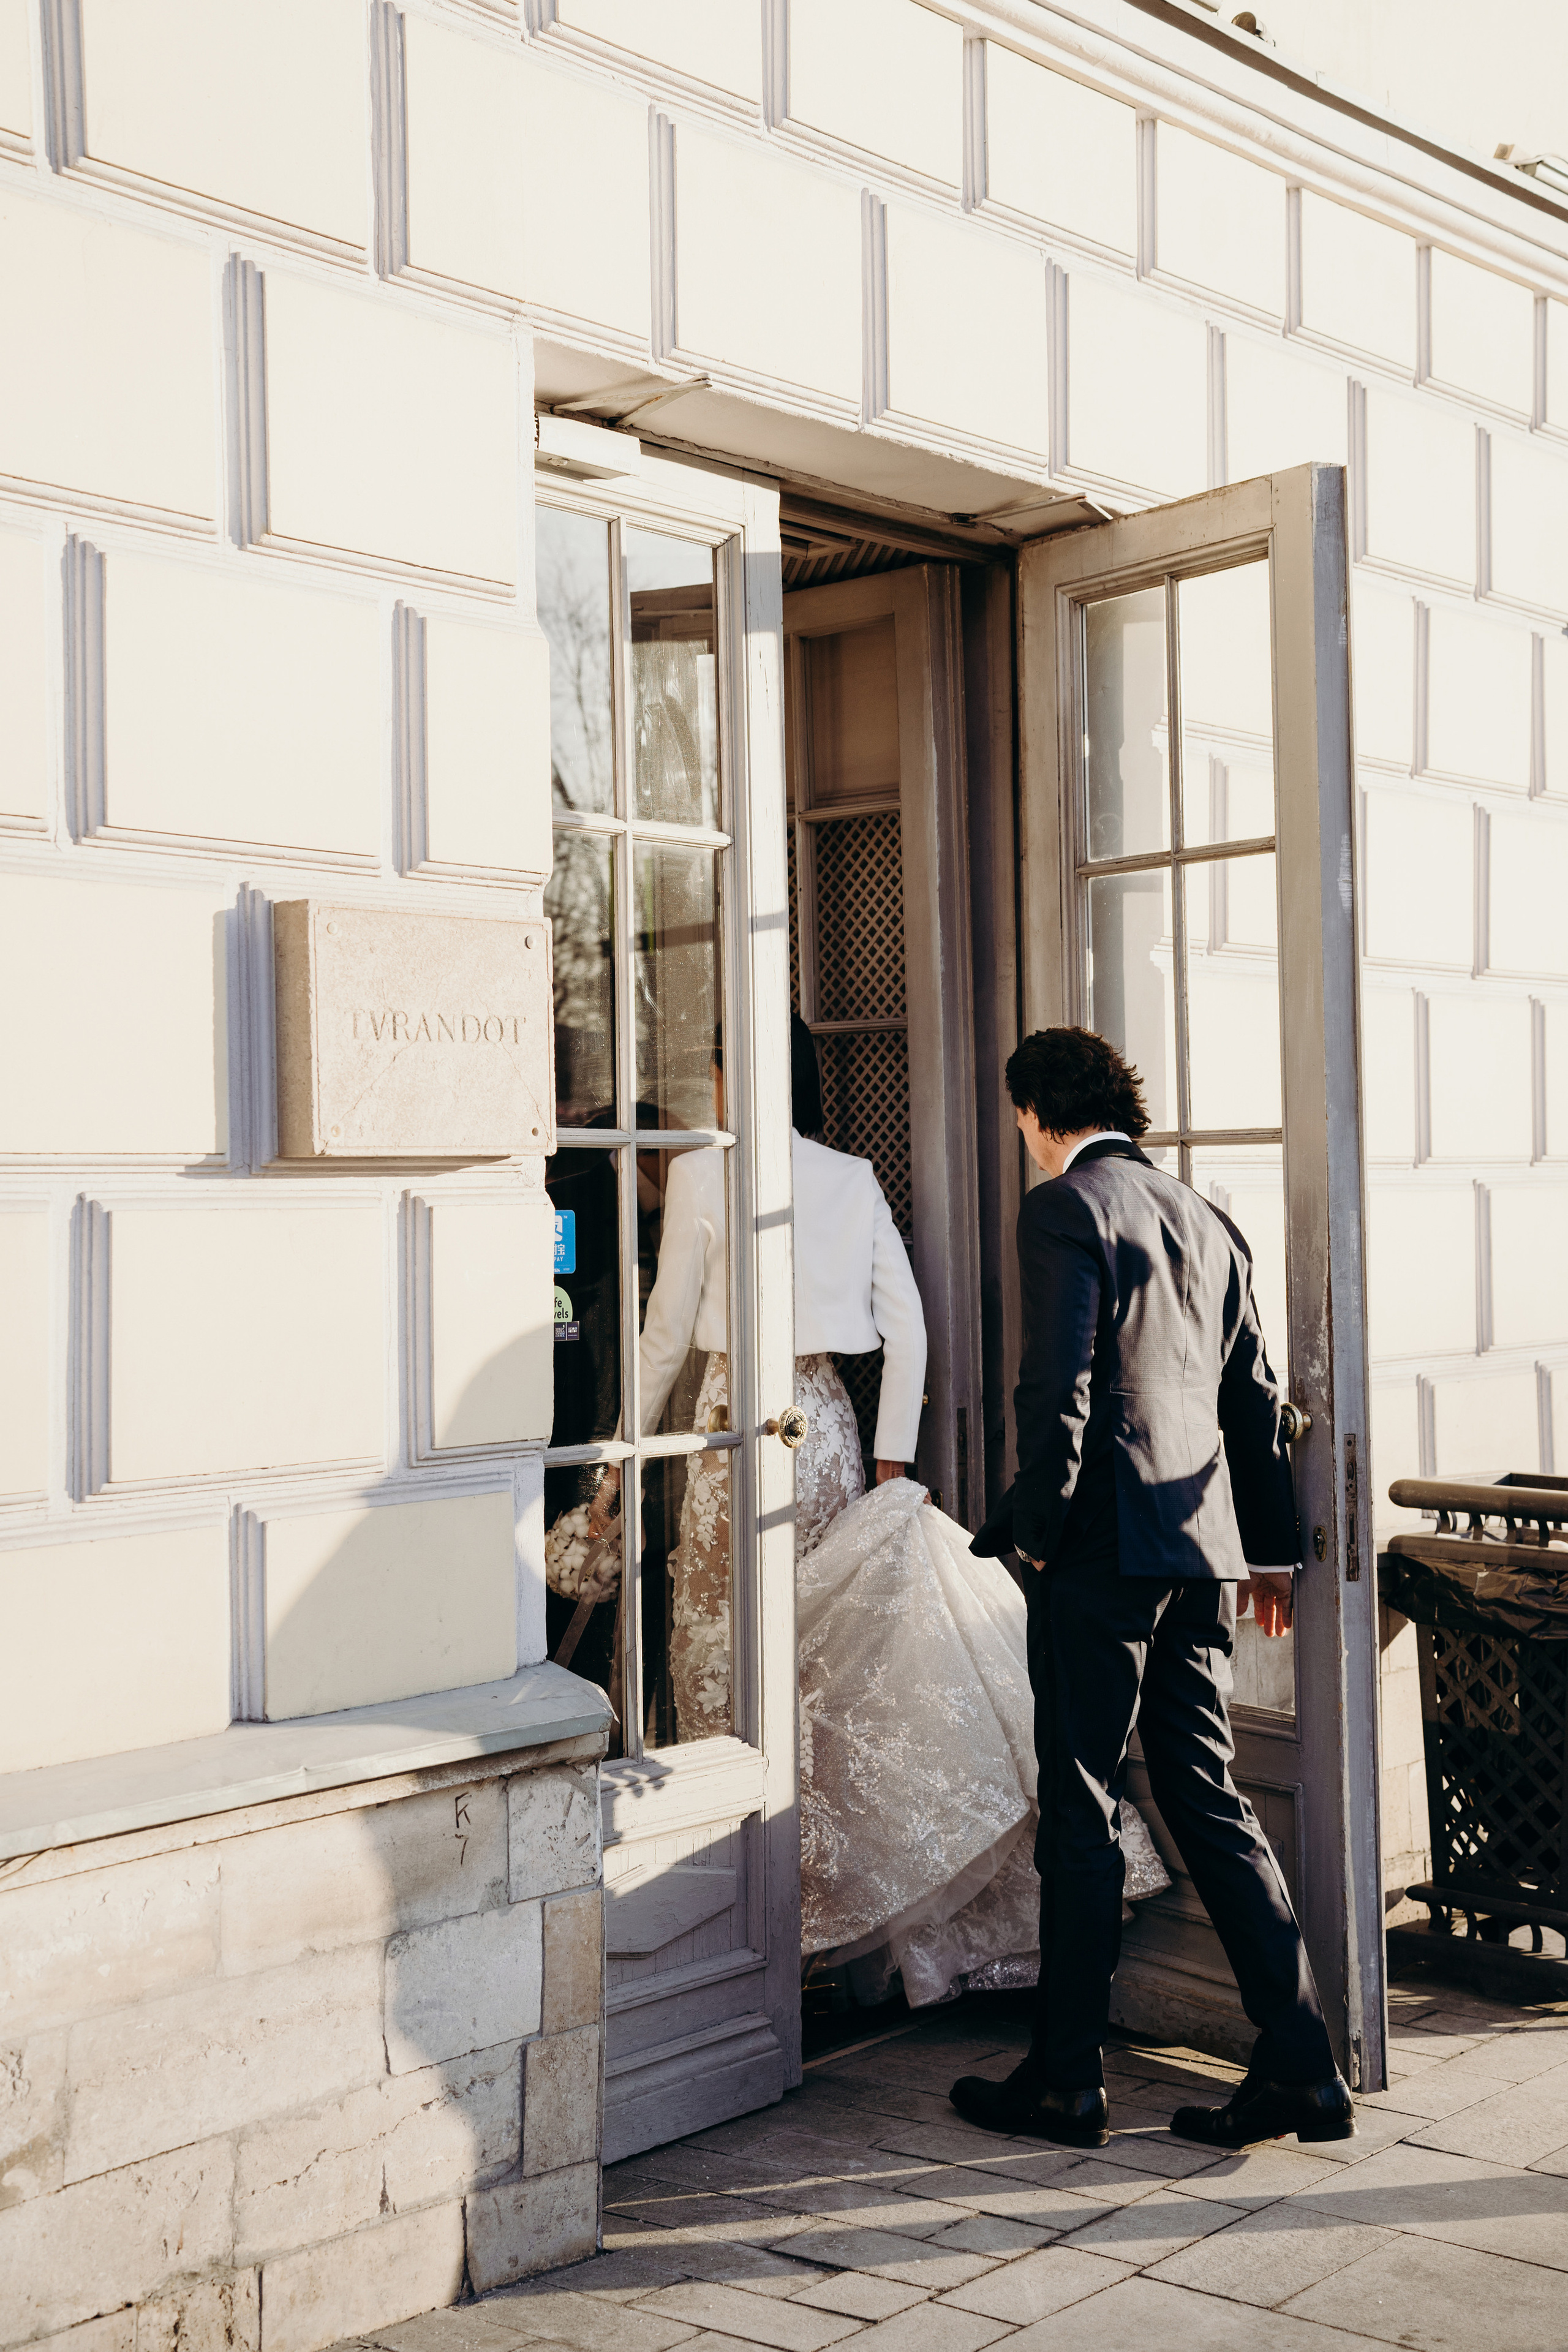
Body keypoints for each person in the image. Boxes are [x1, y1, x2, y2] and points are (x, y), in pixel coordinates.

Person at [949, 1027, 1356, 2152]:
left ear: (1036, 1114)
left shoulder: (1066, 1209)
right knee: (1207, 1797)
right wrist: (1268, 1551)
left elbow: (1057, 1383)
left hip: (1099, 1554)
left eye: (1021, 1122)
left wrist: (1035, 1530)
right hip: (1198, 1554)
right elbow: (1254, 1398)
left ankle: (1066, 2082)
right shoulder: (1205, 1217)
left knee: (1080, 1805)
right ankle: (1302, 2066)